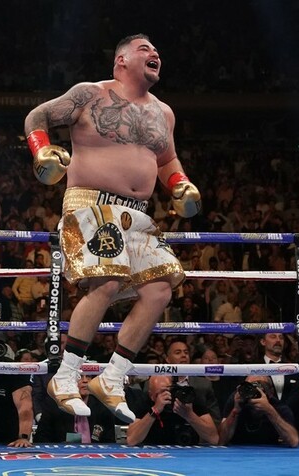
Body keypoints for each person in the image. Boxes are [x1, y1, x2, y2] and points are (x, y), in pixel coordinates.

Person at [24, 33, 201, 423]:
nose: (154, 52)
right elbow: (37, 116)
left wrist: (180, 184)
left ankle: (113, 376)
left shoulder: (164, 113)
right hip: (91, 202)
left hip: (137, 213)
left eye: (156, 49)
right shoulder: (91, 94)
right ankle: (66, 375)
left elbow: (166, 160)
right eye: (144, 49)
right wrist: (42, 150)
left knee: (160, 289)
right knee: (106, 282)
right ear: (121, 60)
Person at [126, 375, 219, 446]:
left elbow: (214, 438)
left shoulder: (187, 397)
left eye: (168, 390)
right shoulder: (145, 401)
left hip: (188, 451)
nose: (166, 396)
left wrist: (190, 415)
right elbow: (131, 440)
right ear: (151, 395)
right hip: (154, 452)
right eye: (160, 393)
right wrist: (154, 411)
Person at [218, 375, 299, 447]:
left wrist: (270, 411)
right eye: (249, 386)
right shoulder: (237, 400)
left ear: (271, 392)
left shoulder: (278, 406)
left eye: (258, 386)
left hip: (269, 451)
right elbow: (221, 441)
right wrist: (235, 411)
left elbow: (293, 441)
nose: (253, 390)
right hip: (238, 451)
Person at [34, 373, 117, 444]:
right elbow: (41, 438)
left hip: (95, 455)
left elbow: (110, 441)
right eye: (79, 377)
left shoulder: (102, 406)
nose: (85, 380)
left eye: (88, 376)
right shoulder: (54, 405)